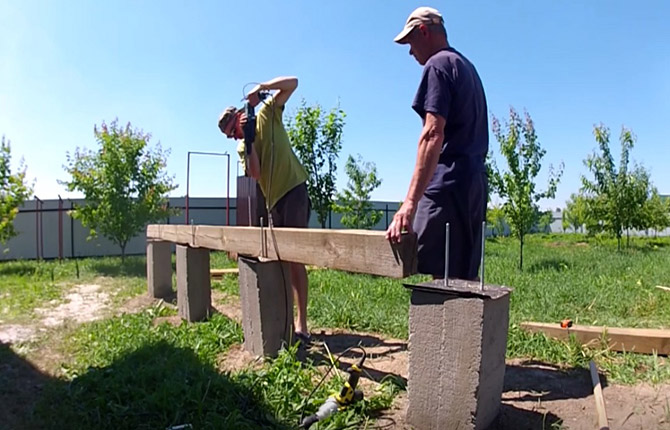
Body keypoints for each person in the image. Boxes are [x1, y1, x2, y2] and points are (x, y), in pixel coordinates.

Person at [386, 7, 488, 281]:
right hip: (474, 184)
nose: (410, 52)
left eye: (411, 42)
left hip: (447, 186)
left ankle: (440, 325)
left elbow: (432, 133)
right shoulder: (466, 67)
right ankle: (465, 325)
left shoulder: (437, 65)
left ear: (424, 32)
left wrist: (410, 203)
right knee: (464, 277)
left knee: (433, 270)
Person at [218, 76, 312, 342]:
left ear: (240, 115)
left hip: (293, 188)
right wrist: (248, 141)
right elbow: (256, 174)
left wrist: (261, 89)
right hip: (273, 200)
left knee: (295, 258)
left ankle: (302, 323)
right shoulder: (241, 147)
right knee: (280, 259)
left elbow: (292, 83)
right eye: (230, 136)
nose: (233, 136)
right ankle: (284, 319)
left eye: (233, 130)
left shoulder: (267, 114)